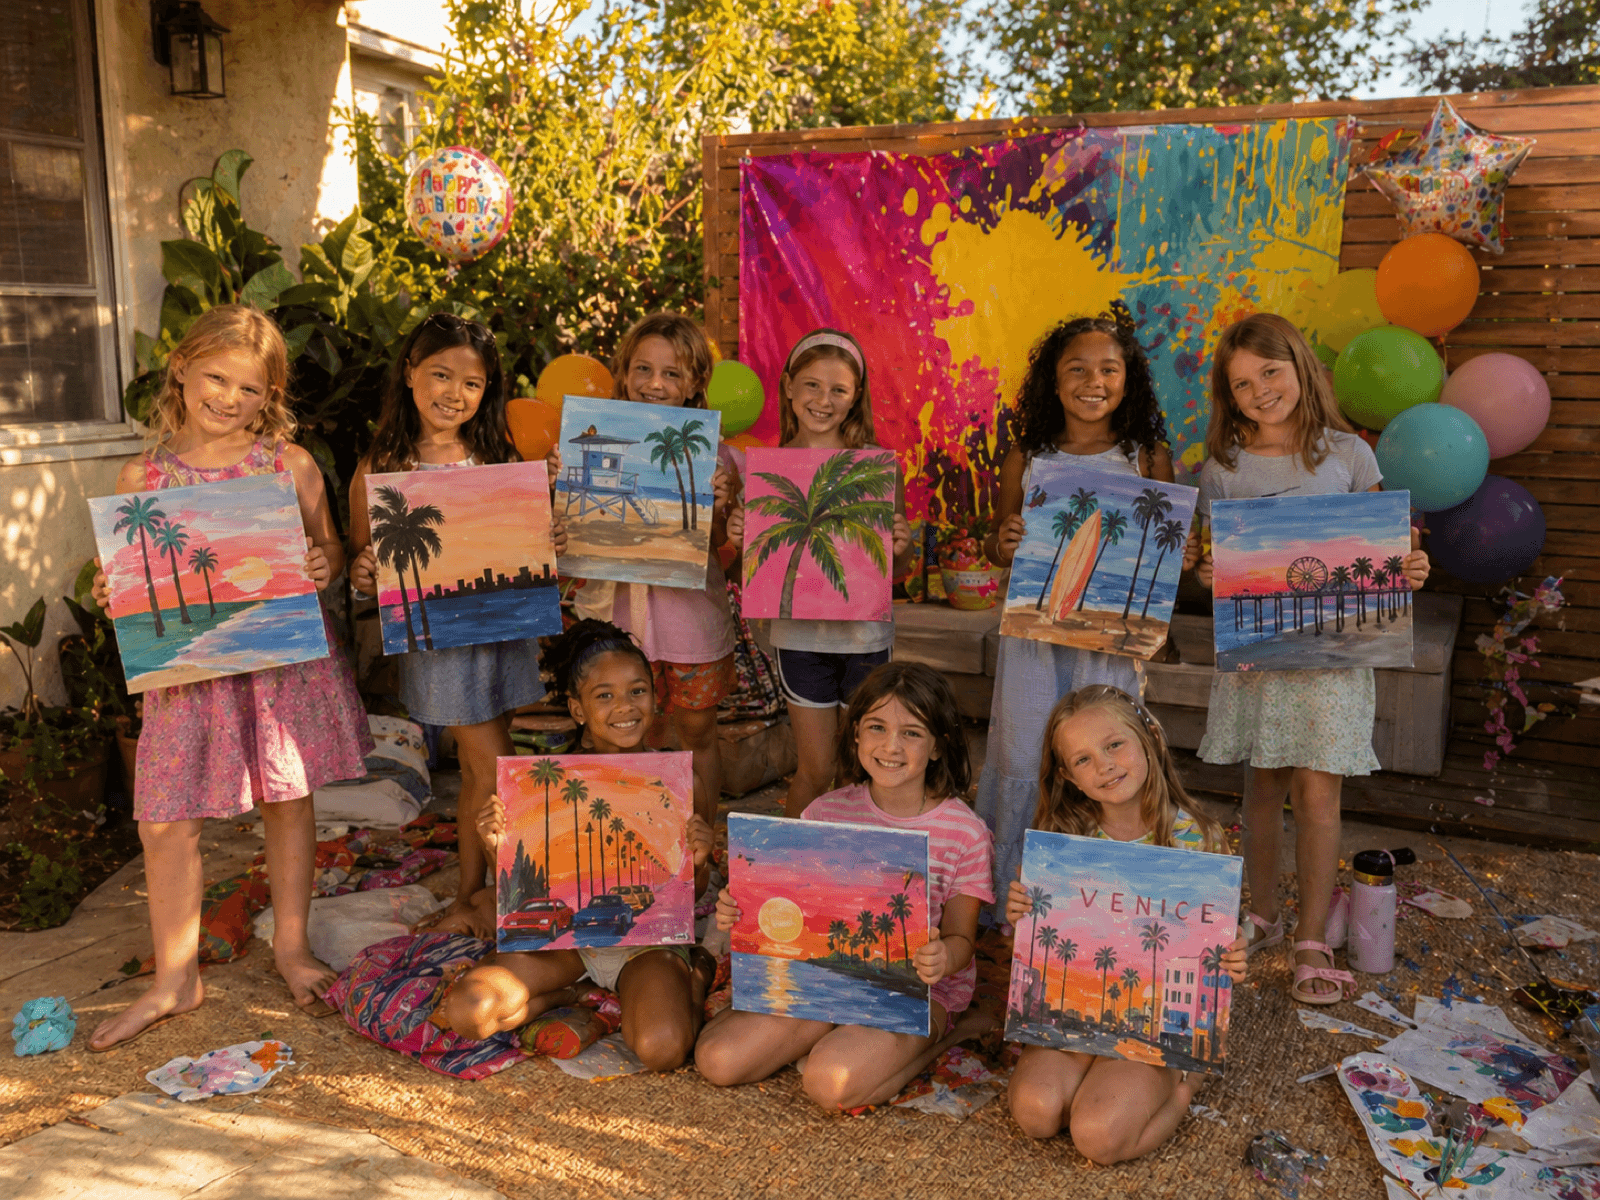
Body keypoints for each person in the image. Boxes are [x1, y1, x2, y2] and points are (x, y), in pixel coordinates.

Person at [88, 305, 373, 1050]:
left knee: (287, 800)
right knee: (164, 819)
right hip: (188, 676)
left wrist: (323, 563)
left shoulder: (288, 464)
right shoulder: (142, 476)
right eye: (216, 378)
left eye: (249, 388)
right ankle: (175, 979)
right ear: (181, 369)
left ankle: (291, 948)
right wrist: (111, 588)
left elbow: (329, 549)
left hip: (278, 668)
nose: (229, 399)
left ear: (269, 395)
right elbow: (127, 574)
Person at [1191, 313, 1429, 1005]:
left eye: (1270, 371)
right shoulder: (1222, 468)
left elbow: (1385, 555)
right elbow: (1214, 565)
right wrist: (1207, 574)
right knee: (1262, 788)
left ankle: (1311, 935)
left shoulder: (1349, 456)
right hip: (1261, 659)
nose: (1259, 391)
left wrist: (1410, 569)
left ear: (1299, 366)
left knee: (1320, 794)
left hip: (1333, 660)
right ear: (1228, 395)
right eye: (1241, 384)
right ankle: (1264, 915)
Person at [695, 662, 994, 1109]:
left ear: (937, 746)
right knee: (717, 1061)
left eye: (912, 732)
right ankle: (829, 1024)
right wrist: (739, 910)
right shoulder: (824, 812)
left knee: (830, 1084)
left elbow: (962, 941)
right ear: (855, 734)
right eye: (876, 727)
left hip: (916, 990)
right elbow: (788, 910)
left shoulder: (965, 833)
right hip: (823, 978)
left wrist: (944, 956)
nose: (891, 746)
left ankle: (946, 1035)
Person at [349, 313, 560, 926]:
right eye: (441, 375)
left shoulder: (496, 455)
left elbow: (524, 539)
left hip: (500, 633)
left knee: (475, 773)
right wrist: (363, 571)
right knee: (498, 768)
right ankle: (509, 894)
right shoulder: (382, 464)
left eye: (472, 384)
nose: (454, 393)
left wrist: (547, 513)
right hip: (438, 643)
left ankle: (471, 892)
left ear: (487, 391)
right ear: (410, 373)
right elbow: (365, 561)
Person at [444, 619, 717, 1071]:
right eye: (604, 696)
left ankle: (696, 973)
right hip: (563, 943)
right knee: (470, 1011)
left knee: (663, 1049)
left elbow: (693, 892)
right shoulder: (541, 786)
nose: (624, 706)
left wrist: (701, 861)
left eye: (637, 691)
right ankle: (570, 994)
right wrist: (495, 844)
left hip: (645, 945)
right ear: (577, 708)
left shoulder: (682, 781)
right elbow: (522, 890)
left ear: (655, 696)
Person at [978, 311, 1182, 907]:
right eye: (1077, 369)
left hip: (1109, 650)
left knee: (1107, 754)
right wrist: (1003, 543)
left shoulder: (1146, 457)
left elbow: (1163, 551)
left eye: (1109, 369)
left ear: (1128, 379)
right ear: (1053, 380)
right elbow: (996, 541)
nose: (1094, 381)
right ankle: (1020, 903)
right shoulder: (1027, 457)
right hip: (1033, 643)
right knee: (1025, 750)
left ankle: (1099, 899)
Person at [1003, 685, 1247, 1162]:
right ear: (1068, 777)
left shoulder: (1198, 840)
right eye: (1083, 759)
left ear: (1149, 738)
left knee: (1097, 1136)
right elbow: (1044, 954)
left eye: (1114, 745)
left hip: (1155, 1031)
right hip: (1076, 1017)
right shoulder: (1062, 840)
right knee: (1036, 1112)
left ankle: (1184, 1085)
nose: (1105, 766)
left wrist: (1232, 956)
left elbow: (1215, 951)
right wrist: (1022, 917)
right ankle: (1094, 1069)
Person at [724, 328, 913, 817]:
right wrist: (740, 537)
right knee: (815, 768)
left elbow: (897, 571)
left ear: (856, 397)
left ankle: (852, 861)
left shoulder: (874, 468)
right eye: (812, 385)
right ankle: (792, 860)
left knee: (859, 771)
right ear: (789, 386)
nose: (823, 400)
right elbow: (750, 573)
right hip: (799, 640)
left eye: (838, 390)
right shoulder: (766, 469)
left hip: (866, 640)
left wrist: (904, 546)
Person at [562, 313, 740, 830]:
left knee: (697, 734)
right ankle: (637, 842)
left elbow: (717, 544)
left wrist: (721, 504)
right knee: (634, 733)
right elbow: (572, 530)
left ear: (695, 383)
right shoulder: (592, 441)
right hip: (617, 619)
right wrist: (560, 484)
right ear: (624, 372)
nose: (655, 383)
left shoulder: (716, 455)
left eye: (672, 373)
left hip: (691, 624)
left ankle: (699, 847)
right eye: (643, 369)